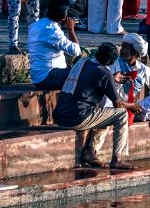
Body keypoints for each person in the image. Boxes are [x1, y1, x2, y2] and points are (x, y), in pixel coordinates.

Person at [52, 42, 142, 170]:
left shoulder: (84, 62)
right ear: (111, 62)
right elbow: (118, 104)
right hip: (78, 118)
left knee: (105, 114)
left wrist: (112, 78)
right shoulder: (104, 73)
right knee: (121, 114)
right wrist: (131, 105)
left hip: (60, 115)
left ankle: (91, 154)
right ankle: (117, 159)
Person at [109, 33, 150, 126]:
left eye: (125, 47)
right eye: (122, 46)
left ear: (134, 53)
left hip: (133, 107)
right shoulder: (114, 63)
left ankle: (144, 115)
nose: (121, 50)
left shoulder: (144, 70)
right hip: (115, 105)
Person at [28, 0, 81, 89]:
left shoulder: (36, 25)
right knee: (84, 73)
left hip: (37, 77)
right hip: (48, 76)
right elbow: (76, 51)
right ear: (64, 16)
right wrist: (70, 29)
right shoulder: (53, 31)